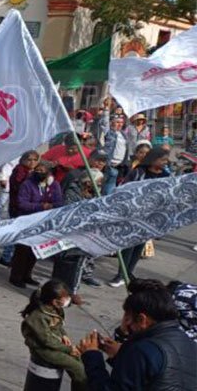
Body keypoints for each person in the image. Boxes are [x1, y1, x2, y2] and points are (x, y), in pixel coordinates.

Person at [77, 287, 196, 390]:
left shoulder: (141, 350)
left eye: (127, 318)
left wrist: (92, 356)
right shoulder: (187, 341)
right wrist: (121, 354)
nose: (125, 325)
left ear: (142, 319)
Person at [108, 150, 171, 288]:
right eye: (162, 159)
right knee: (129, 244)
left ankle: (129, 273)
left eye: (166, 160)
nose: (165, 163)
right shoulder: (138, 172)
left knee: (139, 245)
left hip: (152, 216)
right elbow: (125, 188)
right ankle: (121, 274)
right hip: (135, 214)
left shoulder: (166, 176)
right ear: (153, 159)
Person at [20, 279, 86, 391]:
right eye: (65, 298)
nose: (68, 300)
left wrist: (63, 335)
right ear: (55, 301)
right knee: (77, 368)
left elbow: (58, 326)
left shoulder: (55, 309)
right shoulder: (38, 316)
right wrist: (68, 349)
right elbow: (46, 340)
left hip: (54, 344)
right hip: (42, 349)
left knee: (78, 359)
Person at [10, 161, 63, 289]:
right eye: (37, 170)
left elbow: (58, 202)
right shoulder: (27, 184)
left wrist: (50, 204)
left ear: (48, 172)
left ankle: (27, 275)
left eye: (42, 170)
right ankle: (16, 277)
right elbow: (22, 203)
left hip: (43, 222)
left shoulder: (54, 185)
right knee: (22, 251)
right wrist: (41, 206)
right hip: (27, 221)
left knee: (34, 251)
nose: (39, 172)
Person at [101, 116, 129, 195]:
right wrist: (106, 111)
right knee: (108, 188)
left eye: (121, 122)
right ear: (112, 123)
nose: (120, 124)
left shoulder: (123, 134)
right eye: (117, 122)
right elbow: (104, 123)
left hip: (120, 165)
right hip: (110, 164)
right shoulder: (109, 132)